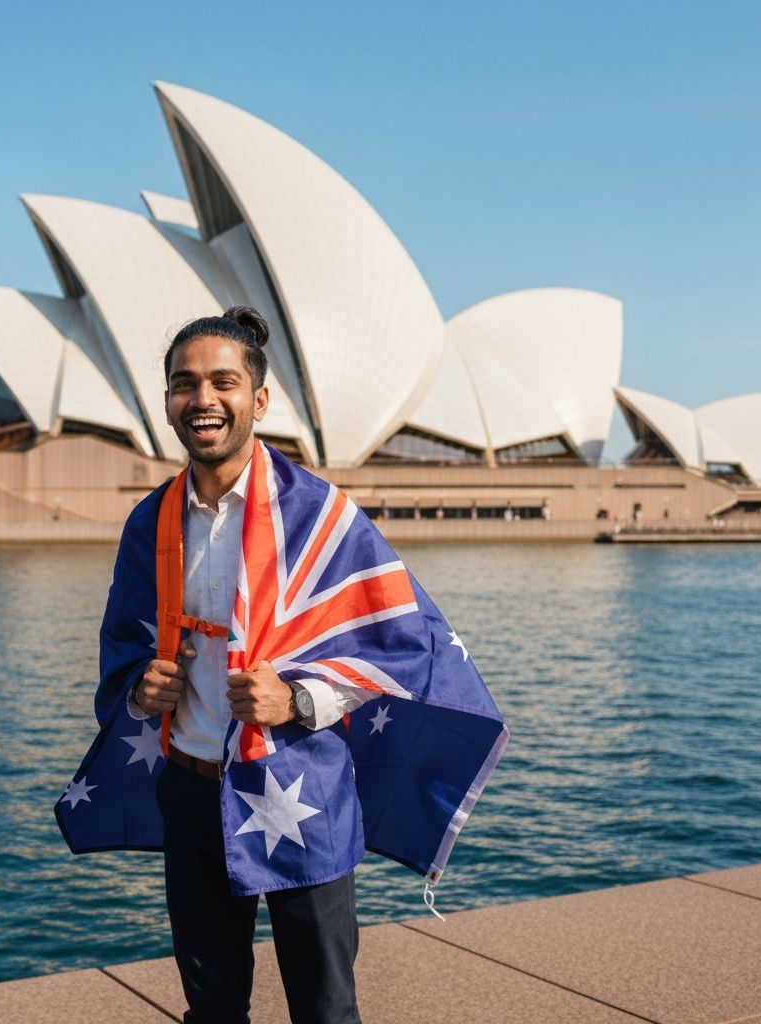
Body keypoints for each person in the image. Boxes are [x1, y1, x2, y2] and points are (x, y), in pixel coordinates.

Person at [56, 306, 508, 1024]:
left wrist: (297, 701)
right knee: (211, 1006)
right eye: (184, 383)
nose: (202, 399)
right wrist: (141, 690)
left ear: (258, 400)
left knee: (326, 1008)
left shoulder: (323, 516)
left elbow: (398, 645)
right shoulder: (151, 521)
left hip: (301, 786)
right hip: (193, 787)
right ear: (168, 400)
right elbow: (121, 651)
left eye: (223, 382)